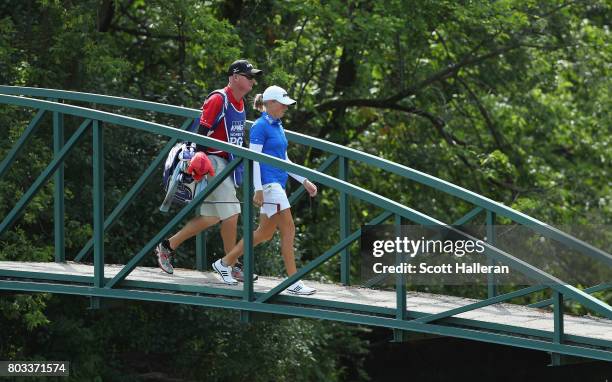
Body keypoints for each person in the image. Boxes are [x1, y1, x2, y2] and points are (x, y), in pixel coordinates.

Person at [155, 59, 262, 283]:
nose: (253, 80)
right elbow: (201, 132)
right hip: (212, 162)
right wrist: (200, 159)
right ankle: (231, 265)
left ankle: (167, 246)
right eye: (248, 76)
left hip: (227, 165)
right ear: (234, 77)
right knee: (232, 213)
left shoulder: (240, 103)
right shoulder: (218, 99)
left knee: (212, 217)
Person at [213, 85, 318, 295]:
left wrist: (304, 180)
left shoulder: (277, 125)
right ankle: (293, 281)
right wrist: (258, 189)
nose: (285, 108)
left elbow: (284, 159)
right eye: (282, 104)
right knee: (289, 229)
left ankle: (224, 263)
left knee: (264, 233)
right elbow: (255, 160)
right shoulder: (260, 127)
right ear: (270, 103)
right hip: (270, 186)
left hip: (278, 183)